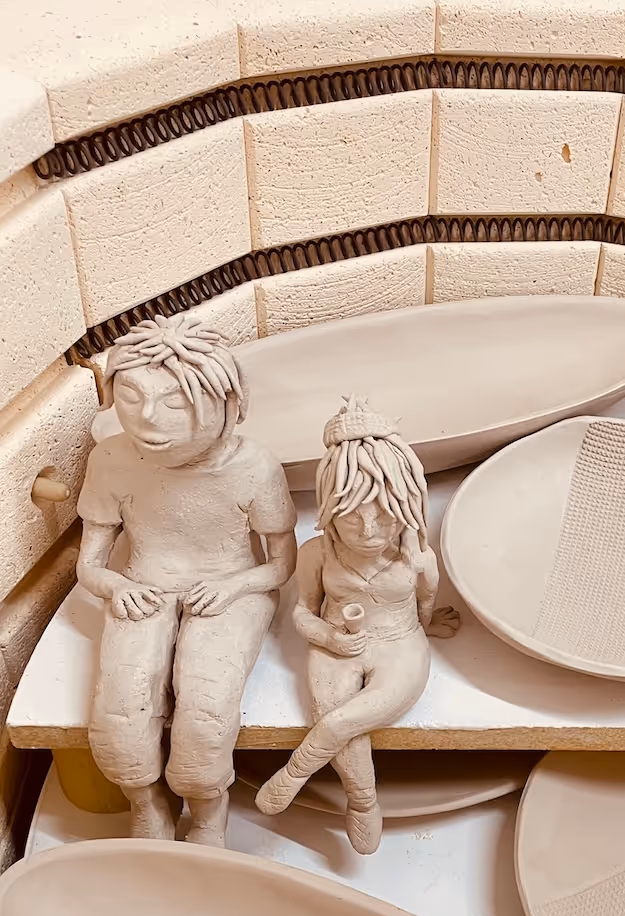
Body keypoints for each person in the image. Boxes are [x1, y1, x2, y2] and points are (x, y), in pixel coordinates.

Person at [76, 313, 297, 847]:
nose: (147, 418)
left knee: (205, 707)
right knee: (120, 710)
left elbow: (281, 564)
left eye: (174, 403)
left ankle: (206, 813)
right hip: (143, 584)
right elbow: (90, 564)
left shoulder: (253, 466)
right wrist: (115, 587)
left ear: (222, 402)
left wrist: (236, 587)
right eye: (131, 397)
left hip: (228, 588)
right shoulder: (111, 459)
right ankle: (145, 802)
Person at [254, 396, 458, 855]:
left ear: (404, 507)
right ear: (328, 510)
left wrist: (428, 625)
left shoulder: (418, 558)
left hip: (398, 642)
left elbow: (426, 603)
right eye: (352, 518)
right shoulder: (317, 553)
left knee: (343, 720)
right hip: (335, 644)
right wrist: (327, 636)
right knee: (335, 713)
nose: (369, 531)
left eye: (384, 516)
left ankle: (296, 775)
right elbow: (302, 611)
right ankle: (362, 801)